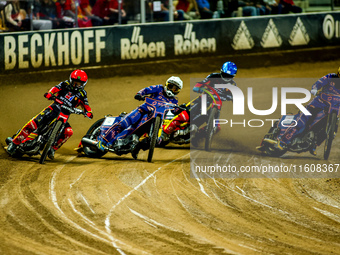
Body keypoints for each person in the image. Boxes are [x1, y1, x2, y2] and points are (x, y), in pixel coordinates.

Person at [6, 70, 93, 159]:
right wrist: (50, 93)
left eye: (79, 84)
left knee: (69, 132)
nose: (76, 85)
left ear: (83, 84)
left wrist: (89, 112)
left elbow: (86, 105)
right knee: (33, 123)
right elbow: (55, 88)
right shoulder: (65, 84)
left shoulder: (82, 94)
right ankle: (14, 143)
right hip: (53, 109)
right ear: (71, 80)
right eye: (75, 82)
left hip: (64, 116)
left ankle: (52, 149)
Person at [97, 76, 183, 152]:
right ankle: (103, 141)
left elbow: (174, 110)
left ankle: (135, 149)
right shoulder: (159, 88)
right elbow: (146, 89)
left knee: (154, 140)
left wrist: (179, 109)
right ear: (167, 84)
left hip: (154, 119)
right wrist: (139, 94)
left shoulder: (174, 101)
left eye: (175, 89)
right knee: (123, 123)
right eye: (171, 86)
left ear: (178, 91)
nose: (172, 90)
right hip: (142, 110)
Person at [272, 67, 340, 155]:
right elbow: (319, 83)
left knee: (328, 129)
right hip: (317, 104)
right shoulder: (330, 76)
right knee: (302, 121)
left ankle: (314, 145)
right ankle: (282, 141)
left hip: (331, 110)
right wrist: (315, 89)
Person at [190, 61, 237, 135]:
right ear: (221, 71)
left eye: (229, 76)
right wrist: (198, 87)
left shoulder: (233, 84)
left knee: (217, 128)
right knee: (189, 113)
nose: (226, 78)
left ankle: (197, 137)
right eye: (225, 75)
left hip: (216, 106)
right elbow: (200, 84)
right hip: (203, 100)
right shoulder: (213, 76)